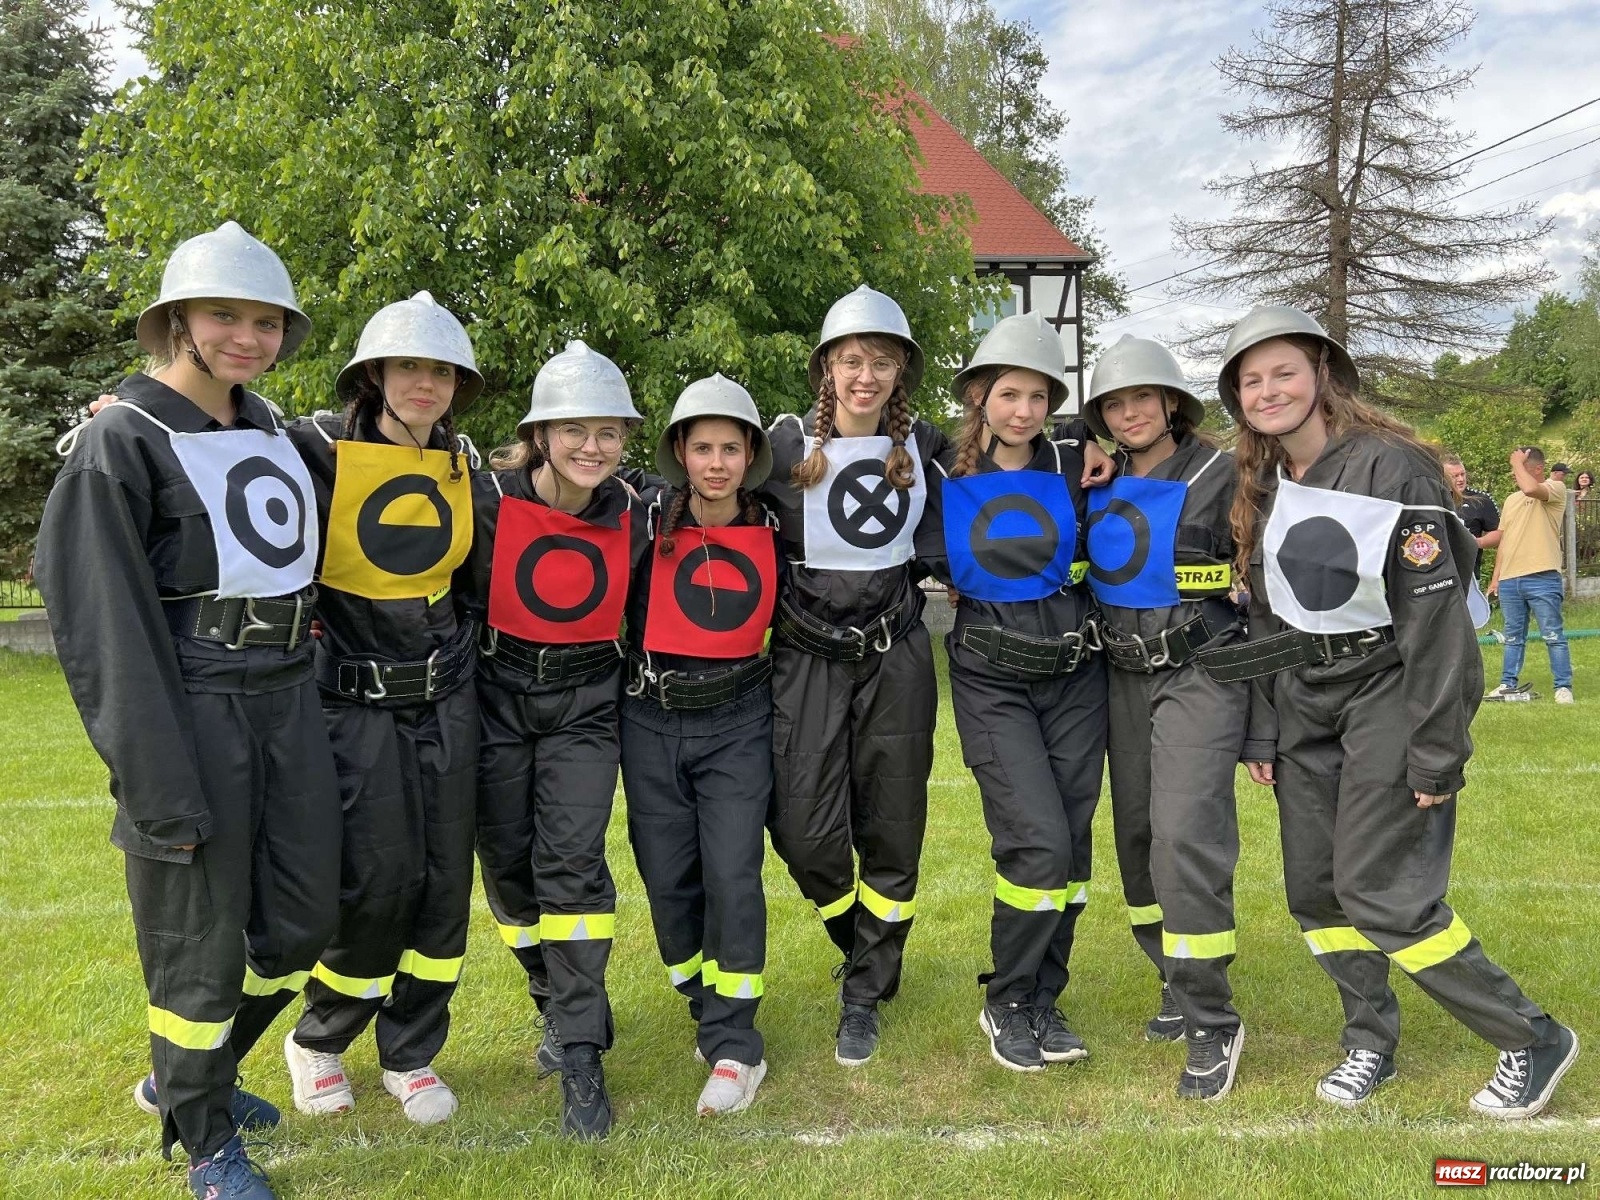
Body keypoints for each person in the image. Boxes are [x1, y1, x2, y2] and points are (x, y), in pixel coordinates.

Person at [1195, 305, 1580, 1118]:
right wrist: (1264, 727)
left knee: (1384, 893)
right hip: (1303, 708)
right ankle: (1369, 1039)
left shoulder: (1393, 469)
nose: (1268, 391)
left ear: (1323, 376)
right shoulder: (1262, 486)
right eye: (1250, 380)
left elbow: (1437, 622)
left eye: (1284, 372)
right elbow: (1269, 619)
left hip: (1388, 696)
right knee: (1318, 894)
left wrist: (1438, 749)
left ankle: (1530, 1035)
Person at [36, 222, 341, 1200]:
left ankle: (184, 1077)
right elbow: (103, 627)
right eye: (224, 315)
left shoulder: (277, 431)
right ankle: (206, 1141)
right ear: (177, 319)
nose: (246, 336)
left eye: (265, 320)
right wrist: (156, 776)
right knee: (198, 943)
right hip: (198, 705)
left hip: (289, 698)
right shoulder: (119, 441)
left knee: (298, 924)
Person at [279, 293, 481, 1125]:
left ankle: (411, 1051)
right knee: (377, 879)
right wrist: (126, 407)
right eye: (409, 367)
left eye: (440, 370)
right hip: (355, 703)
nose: (425, 384)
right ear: (375, 373)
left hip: (447, 699)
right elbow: (215, 438)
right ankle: (320, 1039)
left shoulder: (462, 459)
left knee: (442, 883)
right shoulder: (315, 446)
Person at [914, 311, 1104, 1073]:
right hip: (993, 679)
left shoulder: (1075, 465)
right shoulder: (942, 476)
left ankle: (1046, 997)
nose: (1023, 410)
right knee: (1038, 841)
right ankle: (1008, 996)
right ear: (979, 398)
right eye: (1008, 394)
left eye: (1038, 396)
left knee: (1075, 848)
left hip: (1076, 676)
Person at [759, 286, 943, 1067]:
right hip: (806, 659)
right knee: (803, 832)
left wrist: (1088, 453)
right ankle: (858, 937)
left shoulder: (927, 445)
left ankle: (865, 989)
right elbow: (704, 476)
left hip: (895, 657)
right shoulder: (782, 443)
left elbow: (1018, 458)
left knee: (893, 827)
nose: (864, 376)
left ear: (899, 372)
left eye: (880, 362)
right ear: (826, 369)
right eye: (850, 361)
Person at [468, 341, 647, 1139]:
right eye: (573, 430)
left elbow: (742, 478)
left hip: (584, 703)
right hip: (496, 699)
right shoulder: (485, 499)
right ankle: (555, 1000)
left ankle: (580, 1050)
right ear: (540, 434)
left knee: (570, 865)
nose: (591, 448)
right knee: (507, 869)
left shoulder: (640, 508)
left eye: (608, 432)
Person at [1081, 334, 1249, 1100]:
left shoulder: (1223, 471)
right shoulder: (1091, 477)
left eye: (1142, 397)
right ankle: (1174, 977)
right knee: (1139, 839)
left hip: (1198, 671)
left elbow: (1263, 571)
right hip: (1120, 675)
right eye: (1114, 403)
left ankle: (1214, 1020)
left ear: (1171, 401)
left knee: (1186, 835)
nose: (1131, 411)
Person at [620, 375, 780, 1116]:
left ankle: (737, 1043)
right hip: (649, 722)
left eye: (731, 448)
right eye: (702, 448)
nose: (716, 463)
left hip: (739, 720)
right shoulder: (642, 517)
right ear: (680, 451)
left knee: (733, 877)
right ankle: (701, 1003)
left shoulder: (780, 521)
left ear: (751, 454)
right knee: (667, 880)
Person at [1487, 447, 1573, 704]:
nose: (1515, 475)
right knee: (1513, 637)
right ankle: (1507, 683)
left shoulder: (1554, 488)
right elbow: (1504, 540)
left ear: (1537, 469)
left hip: (1542, 576)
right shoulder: (1511, 500)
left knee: (1553, 635)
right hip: (1511, 579)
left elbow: (1530, 489)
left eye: (1521, 469)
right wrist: (1495, 578)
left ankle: (1563, 687)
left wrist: (1516, 462)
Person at [1442, 454, 1500, 582]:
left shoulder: (1481, 499)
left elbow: (1499, 533)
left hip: (1469, 574)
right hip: (1438, 573)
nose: (1461, 479)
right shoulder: (1432, 498)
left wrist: (1477, 542)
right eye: (1455, 476)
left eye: (1463, 474)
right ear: (1443, 477)